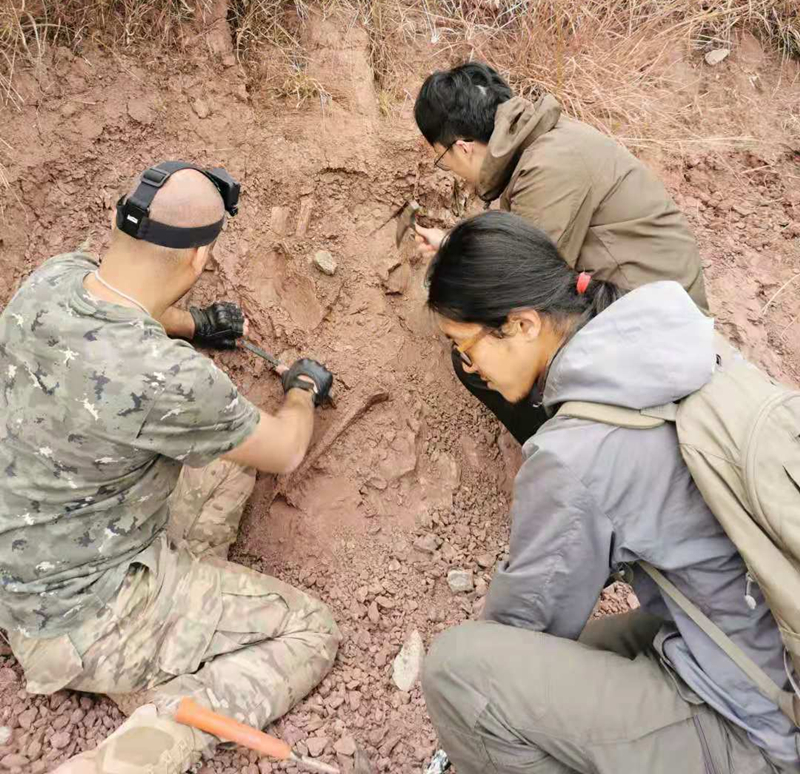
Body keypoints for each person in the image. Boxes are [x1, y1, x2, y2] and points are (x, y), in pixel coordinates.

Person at [420, 211, 799, 774]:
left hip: (761, 728)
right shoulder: (677, 348)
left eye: (465, 347)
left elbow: (524, 624)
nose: (470, 368)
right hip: (766, 639)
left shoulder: (578, 451)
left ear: (523, 325)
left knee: (460, 674)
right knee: (587, 650)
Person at [0, 163, 340, 774]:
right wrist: (302, 392)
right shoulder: (171, 380)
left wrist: (197, 325)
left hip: (20, 559)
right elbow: (286, 450)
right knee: (311, 629)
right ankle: (152, 737)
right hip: (79, 617)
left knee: (225, 466)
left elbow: (135, 308)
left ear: (116, 221)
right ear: (198, 259)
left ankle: (173, 619)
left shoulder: (52, 280)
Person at [413, 60, 709, 444]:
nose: (451, 169)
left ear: (463, 148)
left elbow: (515, 284)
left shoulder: (546, 170)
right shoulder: (549, 145)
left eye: (443, 159)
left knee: (481, 352)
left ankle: (570, 450)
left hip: (660, 334)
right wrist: (451, 244)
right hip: (651, 301)